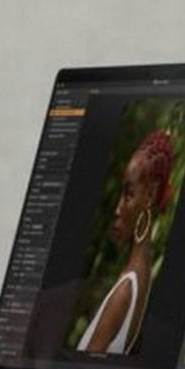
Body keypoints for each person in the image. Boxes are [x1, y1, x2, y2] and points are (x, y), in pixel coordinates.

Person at [75, 130, 175, 355]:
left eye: (128, 195)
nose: (117, 209)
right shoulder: (141, 278)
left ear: (150, 195)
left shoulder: (126, 289)